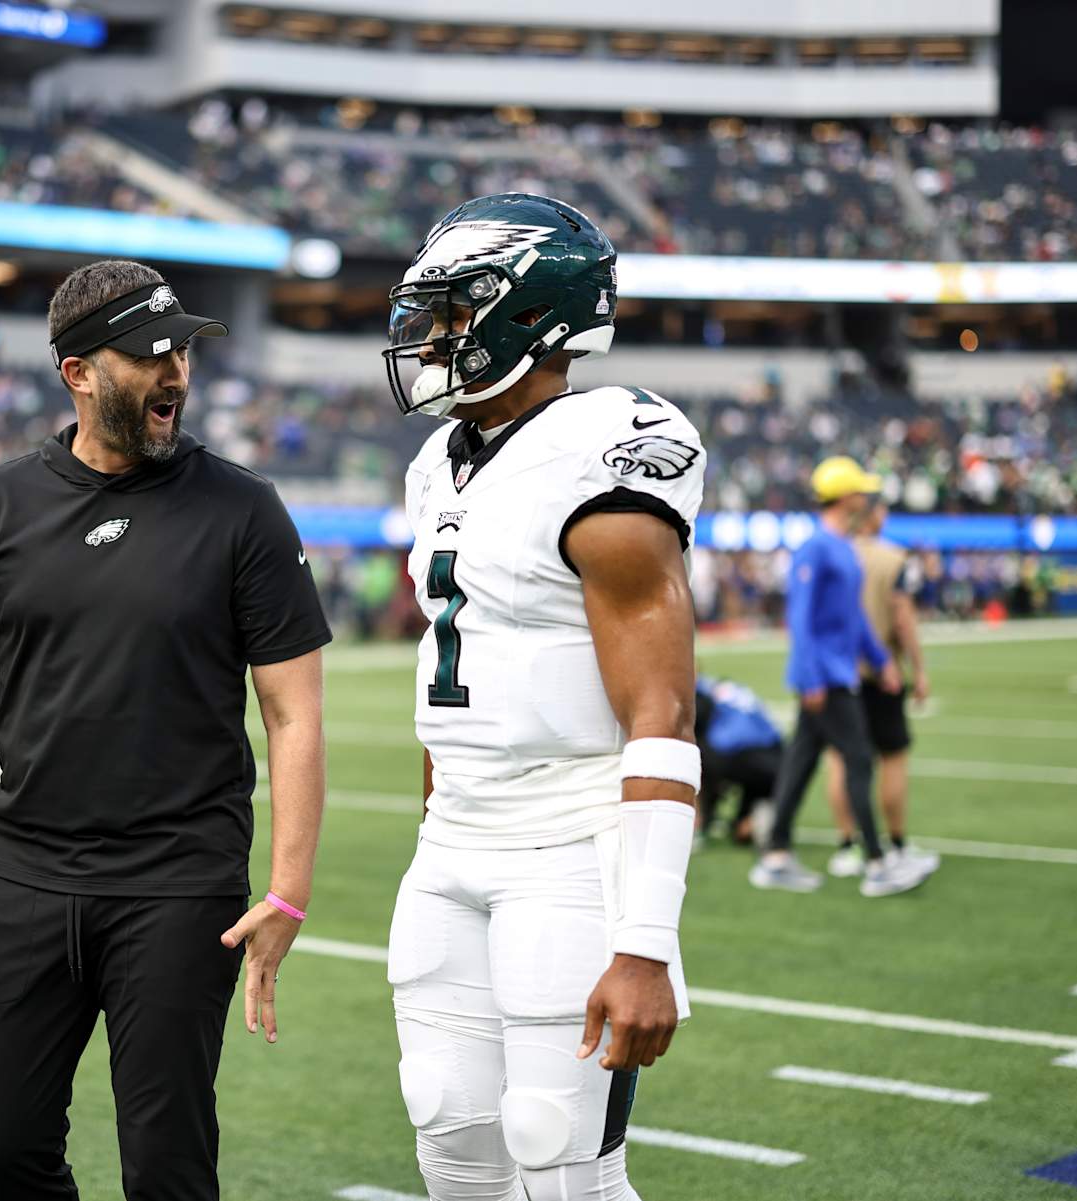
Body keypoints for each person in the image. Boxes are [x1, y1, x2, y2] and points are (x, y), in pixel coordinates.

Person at [0, 260, 331, 1201]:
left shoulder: (244, 509)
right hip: (24, 870)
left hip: (179, 881)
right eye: (148, 353)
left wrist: (288, 890)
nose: (175, 370)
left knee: (167, 1169)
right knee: (4, 1146)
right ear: (80, 374)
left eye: (182, 348)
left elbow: (294, 712)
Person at [383, 193, 705, 1201]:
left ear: (522, 316)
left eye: (448, 313)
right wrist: (435, 822)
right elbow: (452, 665)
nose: (428, 337)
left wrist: (645, 945)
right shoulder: (437, 462)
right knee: (453, 1143)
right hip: (452, 846)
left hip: (569, 846)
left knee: (557, 1156)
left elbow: (663, 713)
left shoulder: (606, 448)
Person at [748, 458, 934, 899]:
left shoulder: (841, 545)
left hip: (835, 672)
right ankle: (875, 862)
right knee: (858, 760)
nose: (867, 498)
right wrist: (811, 677)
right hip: (825, 677)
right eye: (862, 491)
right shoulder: (817, 548)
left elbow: (852, 618)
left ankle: (775, 854)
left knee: (802, 761)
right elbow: (801, 618)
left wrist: (881, 661)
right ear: (848, 496)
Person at [823, 499, 939, 878]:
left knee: (841, 760)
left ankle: (846, 846)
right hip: (881, 673)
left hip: (838, 674)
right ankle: (897, 844)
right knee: (892, 758)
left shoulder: (832, 553)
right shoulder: (892, 558)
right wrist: (918, 669)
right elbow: (903, 619)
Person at [694, 675, 783, 847]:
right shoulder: (733, 687)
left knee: (692, 756)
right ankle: (746, 822)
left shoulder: (700, 692)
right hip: (776, 758)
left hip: (735, 755)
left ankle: (700, 821)